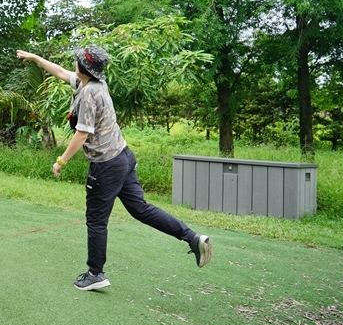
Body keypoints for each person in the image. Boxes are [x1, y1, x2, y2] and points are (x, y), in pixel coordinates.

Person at [16, 45, 212, 291]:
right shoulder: (92, 83)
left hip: (106, 166)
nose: (73, 64)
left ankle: (95, 274)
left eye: (77, 60)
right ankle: (192, 237)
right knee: (141, 209)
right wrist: (34, 57)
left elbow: (82, 134)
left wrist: (61, 161)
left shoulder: (88, 94)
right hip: (123, 157)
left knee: (96, 220)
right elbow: (60, 72)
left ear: (84, 68)